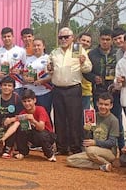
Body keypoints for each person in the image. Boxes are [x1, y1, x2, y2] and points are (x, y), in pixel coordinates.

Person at [49, 27, 92, 155]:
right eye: (61, 37)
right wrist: (49, 68)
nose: (63, 39)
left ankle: (75, 147)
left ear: (72, 38)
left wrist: (83, 63)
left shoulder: (78, 50)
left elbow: (88, 68)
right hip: (57, 89)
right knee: (59, 119)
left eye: (66, 37)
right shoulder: (54, 52)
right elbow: (49, 69)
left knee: (74, 119)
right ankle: (61, 147)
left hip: (73, 88)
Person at [66, 93, 119, 172]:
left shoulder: (113, 120)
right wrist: (86, 130)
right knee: (70, 160)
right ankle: (102, 166)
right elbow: (86, 140)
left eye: (106, 104)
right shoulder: (92, 116)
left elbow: (112, 142)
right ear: (97, 103)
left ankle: (105, 162)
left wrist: (95, 142)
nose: (103, 107)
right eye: (101, 104)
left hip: (108, 151)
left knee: (90, 150)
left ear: (111, 106)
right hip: (93, 150)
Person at [0, 90, 57, 162]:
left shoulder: (41, 110)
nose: (27, 103)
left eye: (29, 101)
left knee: (41, 134)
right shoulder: (23, 113)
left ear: (34, 100)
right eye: (24, 101)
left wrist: (33, 120)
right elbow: (15, 126)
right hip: (33, 137)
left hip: (47, 136)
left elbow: (41, 128)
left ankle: (50, 154)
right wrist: (3, 138)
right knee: (21, 127)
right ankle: (23, 152)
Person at [0, 77, 22, 158]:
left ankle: (9, 148)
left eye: (9, 86)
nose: (6, 87)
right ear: (0, 86)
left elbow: (22, 116)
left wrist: (11, 119)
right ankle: (4, 143)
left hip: (12, 126)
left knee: (17, 124)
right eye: (4, 85)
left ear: (13, 88)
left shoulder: (16, 98)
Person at [85, 28, 117, 107]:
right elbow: (86, 72)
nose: (105, 42)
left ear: (112, 40)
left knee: (116, 116)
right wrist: (94, 78)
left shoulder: (117, 54)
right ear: (99, 39)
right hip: (98, 90)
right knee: (99, 115)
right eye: (103, 39)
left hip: (115, 90)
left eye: (108, 39)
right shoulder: (92, 54)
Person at [23, 39, 53, 117]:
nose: (36, 47)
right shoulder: (28, 60)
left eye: (38, 45)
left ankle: (47, 129)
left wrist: (43, 80)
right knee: (31, 115)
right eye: (34, 46)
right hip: (31, 93)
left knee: (45, 115)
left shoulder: (49, 58)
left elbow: (53, 75)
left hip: (44, 92)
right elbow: (24, 75)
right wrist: (27, 79)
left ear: (43, 46)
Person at [0, 27, 27, 92]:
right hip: (1, 85)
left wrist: (20, 71)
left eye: (9, 36)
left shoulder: (21, 51)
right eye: (4, 37)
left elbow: (26, 68)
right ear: (1, 38)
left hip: (17, 85)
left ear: (13, 37)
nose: (7, 38)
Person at [78, 32, 94, 109]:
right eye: (83, 40)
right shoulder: (72, 52)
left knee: (85, 115)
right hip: (73, 89)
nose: (85, 43)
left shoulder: (91, 54)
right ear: (78, 40)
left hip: (86, 90)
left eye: (88, 42)